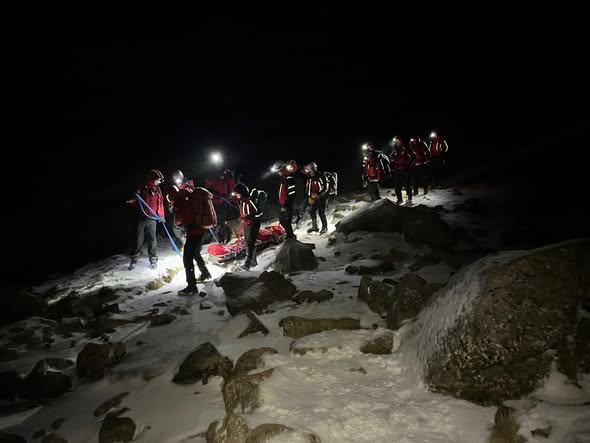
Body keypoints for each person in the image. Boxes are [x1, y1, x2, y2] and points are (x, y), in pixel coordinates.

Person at [173, 184, 214, 295]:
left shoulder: (182, 201)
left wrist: (179, 224)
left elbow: (185, 218)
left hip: (194, 231)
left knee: (187, 258)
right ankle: (205, 273)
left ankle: (191, 286)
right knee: (195, 253)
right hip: (200, 230)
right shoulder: (191, 199)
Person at [127, 169, 165, 270]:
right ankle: (134, 259)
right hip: (141, 218)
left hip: (152, 218)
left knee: (152, 239)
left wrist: (161, 215)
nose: (160, 182)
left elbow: (160, 202)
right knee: (138, 239)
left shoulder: (157, 189)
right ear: (152, 179)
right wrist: (132, 198)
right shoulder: (142, 187)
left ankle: (153, 259)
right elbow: (134, 200)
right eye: (158, 179)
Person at [233, 183, 262, 270]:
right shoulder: (242, 201)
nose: (236, 195)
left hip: (253, 224)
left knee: (250, 243)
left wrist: (250, 217)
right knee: (248, 242)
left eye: (237, 193)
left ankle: (247, 263)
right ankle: (253, 261)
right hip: (247, 224)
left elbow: (259, 212)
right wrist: (243, 217)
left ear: (242, 193)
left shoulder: (250, 201)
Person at [205, 168, 236, 243]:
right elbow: (207, 188)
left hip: (223, 202)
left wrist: (231, 178)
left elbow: (232, 187)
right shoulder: (211, 176)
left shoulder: (225, 175)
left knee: (222, 221)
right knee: (213, 221)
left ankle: (222, 238)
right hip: (213, 203)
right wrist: (214, 193)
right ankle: (208, 237)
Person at [165, 169, 194, 248]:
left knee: (189, 226)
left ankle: (190, 243)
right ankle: (183, 240)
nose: (177, 181)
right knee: (176, 228)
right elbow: (169, 198)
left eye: (178, 179)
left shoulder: (187, 186)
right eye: (175, 179)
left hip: (188, 210)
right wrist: (170, 205)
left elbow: (192, 195)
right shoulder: (172, 188)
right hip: (178, 210)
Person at [272, 160, 297, 239]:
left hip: (287, 204)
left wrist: (286, 205)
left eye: (278, 171)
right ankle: (289, 235)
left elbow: (292, 193)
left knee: (286, 221)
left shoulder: (289, 178)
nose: (277, 173)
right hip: (283, 204)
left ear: (281, 169)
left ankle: (291, 236)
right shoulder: (283, 178)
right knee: (282, 220)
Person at [303, 162, 329, 234]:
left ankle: (325, 227)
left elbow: (326, 188)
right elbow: (308, 189)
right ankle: (315, 227)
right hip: (314, 197)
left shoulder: (321, 176)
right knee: (312, 211)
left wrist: (318, 194)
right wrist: (309, 197)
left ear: (314, 169)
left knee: (321, 212)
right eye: (308, 171)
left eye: (310, 170)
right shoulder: (309, 178)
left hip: (322, 197)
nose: (309, 172)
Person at [389, 137, 415, 204]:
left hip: (405, 169)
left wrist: (408, 164)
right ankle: (399, 199)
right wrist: (393, 155)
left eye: (398, 141)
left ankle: (409, 198)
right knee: (397, 186)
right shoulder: (395, 149)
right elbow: (391, 159)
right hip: (397, 169)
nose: (396, 143)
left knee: (406, 185)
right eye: (396, 142)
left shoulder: (405, 148)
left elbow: (413, 156)